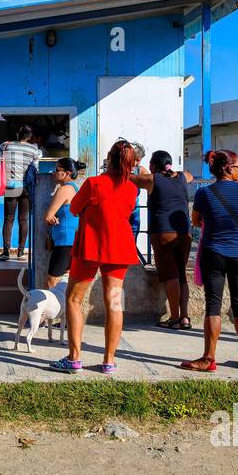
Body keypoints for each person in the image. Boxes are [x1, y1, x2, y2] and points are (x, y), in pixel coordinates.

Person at [50, 140, 149, 375]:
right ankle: (109, 361)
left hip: (91, 245)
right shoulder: (131, 188)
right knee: (114, 302)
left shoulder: (94, 183)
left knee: (74, 299)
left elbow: (74, 209)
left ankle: (74, 358)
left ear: (109, 159)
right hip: (120, 247)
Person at [181, 149, 238, 371]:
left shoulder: (204, 193)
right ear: (229, 168)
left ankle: (208, 358)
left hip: (214, 253)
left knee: (213, 306)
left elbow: (195, 220)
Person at [147, 149, 193, 330]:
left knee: (171, 275)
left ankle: (174, 318)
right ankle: (185, 317)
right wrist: (175, 173)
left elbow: (133, 179)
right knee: (182, 275)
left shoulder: (153, 179)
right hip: (184, 233)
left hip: (163, 232)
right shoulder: (181, 177)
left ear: (154, 165)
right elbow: (189, 176)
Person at [0, 125, 42, 261]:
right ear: (30, 137)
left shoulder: (7, 146)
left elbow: (0, 147)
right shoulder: (34, 149)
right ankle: (21, 252)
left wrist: (9, 142)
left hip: (11, 186)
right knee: (23, 219)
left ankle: (6, 252)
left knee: (8, 219)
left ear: (18, 134)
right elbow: (36, 168)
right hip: (26, 188)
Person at [42, 157, 84, 287]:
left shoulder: (64, 190)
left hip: (64, 241)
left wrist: (50, 219)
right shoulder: (75, 189)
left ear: (67, 173)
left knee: (51, 281)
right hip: (73, 240)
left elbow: (48, 216)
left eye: (57, 170)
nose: (54, 173)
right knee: (65, 281)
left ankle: (51, 307)